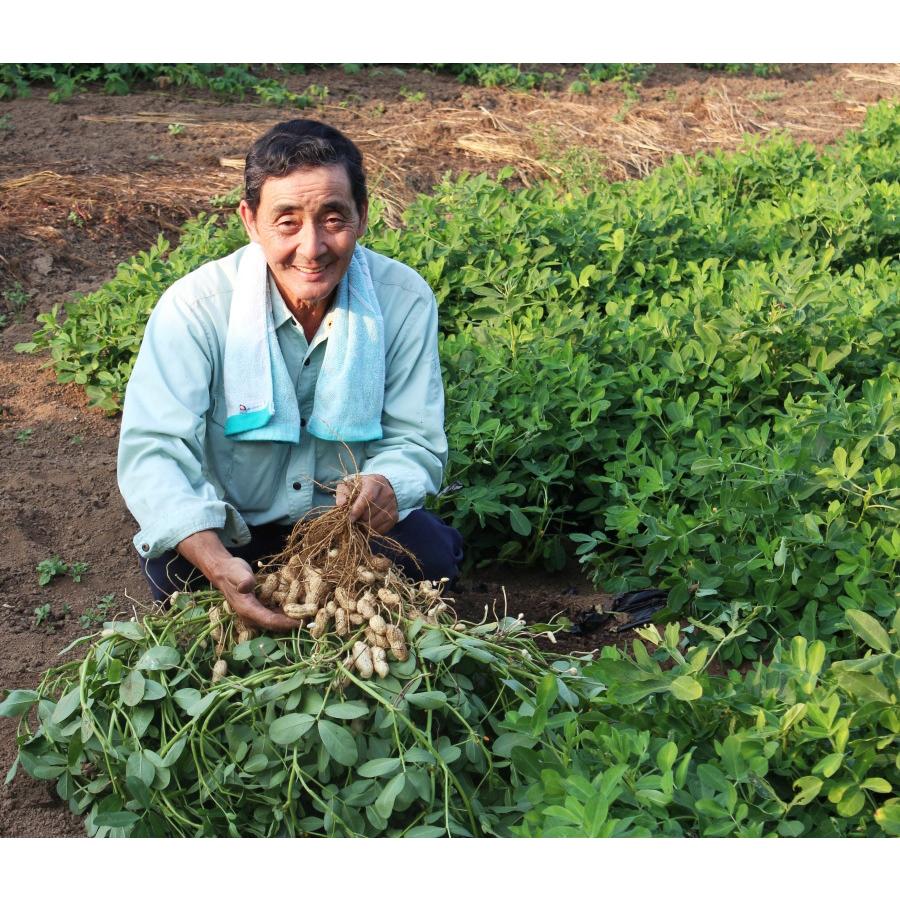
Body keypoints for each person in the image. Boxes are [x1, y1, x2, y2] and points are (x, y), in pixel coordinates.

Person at [117, 119, 462, 632]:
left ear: (363, 216)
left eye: (333, 218)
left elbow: (416, 440)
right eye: (287, 222)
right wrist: (214, 560)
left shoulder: (403, 299)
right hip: (236, 529)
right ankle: (235, 584)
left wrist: (387, 483)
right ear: (250, 221)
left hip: (345, 530)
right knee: (177, 571)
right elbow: (155, 454)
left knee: (431, 558)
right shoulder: (195, 309)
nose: (312, 247)